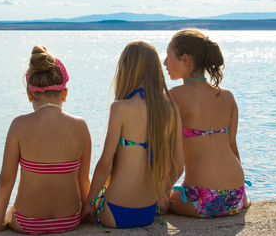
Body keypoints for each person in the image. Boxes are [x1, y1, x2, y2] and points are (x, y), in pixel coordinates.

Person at [0, 45, 91, 234]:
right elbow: (83, 180)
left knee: (11, 212)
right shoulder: (81, 126)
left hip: (28, 223)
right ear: (64, 93)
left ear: (29, 94)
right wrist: (87, 213)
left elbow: (6, 180)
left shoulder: (19, 125)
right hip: (69, 220)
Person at [82, 40, 183, 229]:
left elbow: (105, 165)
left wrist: (89, 204)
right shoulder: (171, 108)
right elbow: (179, 164)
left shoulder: (120, 108)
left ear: (126, 69)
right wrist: (162, 194)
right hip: (148, 211)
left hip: (114, 212)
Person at [164, 29, 251, 218]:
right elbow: (232, 148)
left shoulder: (174, 96)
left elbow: (176, 163)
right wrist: (241, 193)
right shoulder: (227, 96)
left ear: (185, 60)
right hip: (235, 196)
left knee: (167, 198)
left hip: (203, 201)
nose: (165, 63)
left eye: (168, 56)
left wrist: (160, 195)